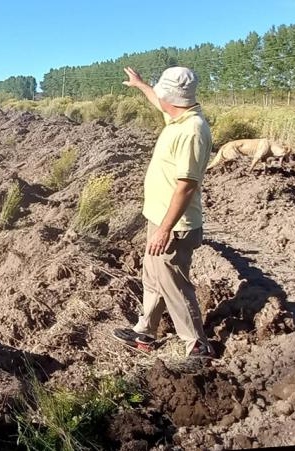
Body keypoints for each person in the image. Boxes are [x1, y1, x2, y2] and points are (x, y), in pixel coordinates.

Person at [113, 66, 214, 358]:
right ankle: (144, 332)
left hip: (176, 225)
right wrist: (141, 85)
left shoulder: (192, 130)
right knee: (154, 278)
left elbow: (186, 186)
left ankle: (197, 345)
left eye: (160, 92)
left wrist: (165, 229)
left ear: (172, 97)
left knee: (174, 285)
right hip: (160, 219)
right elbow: (158, 101)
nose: (159, 98)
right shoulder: (176, 115)